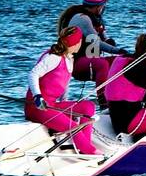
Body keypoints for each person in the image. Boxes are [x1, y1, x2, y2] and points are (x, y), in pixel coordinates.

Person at [25, 26, 98, 155]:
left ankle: (85, 145)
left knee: (88, 107)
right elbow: (33, 74)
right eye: (81, 40)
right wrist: (37, 96)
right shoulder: (54, 57)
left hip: (53, 105)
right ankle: (89, 151)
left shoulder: (69, 58)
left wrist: (65, 102)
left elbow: (63, 82)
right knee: (73, 126)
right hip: (39, 107)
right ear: (77, 42)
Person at [56, 0, 125, 90]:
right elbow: (97, 43)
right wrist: (118, 50)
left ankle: (122, 99)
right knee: (102, 64)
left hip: (90, 61)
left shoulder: (95, 18)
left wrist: (122, 54)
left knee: (122, 62)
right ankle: (104, 104)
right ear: (99, 6)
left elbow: (104, 39)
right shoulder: (83, 19)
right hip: (76, 64)